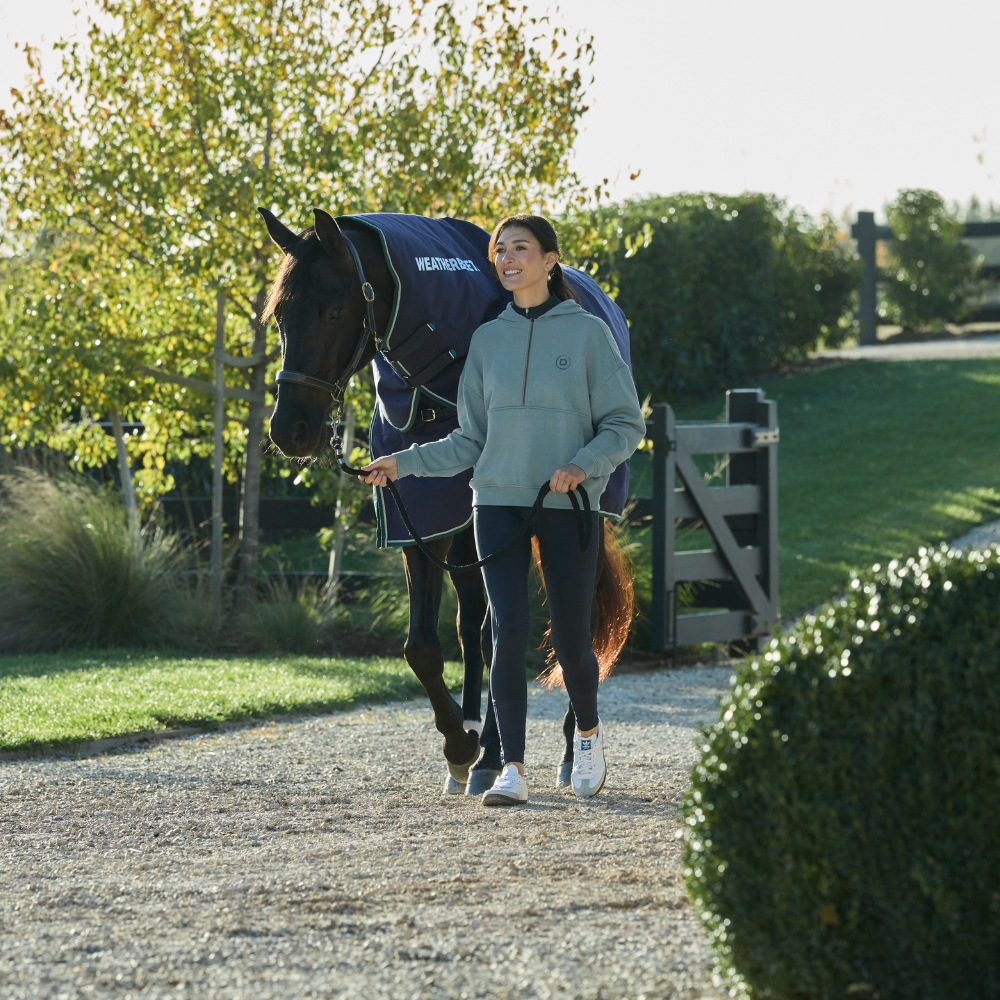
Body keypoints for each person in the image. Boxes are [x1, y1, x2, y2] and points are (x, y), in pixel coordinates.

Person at [360, 214, 645, 806]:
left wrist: (582, 465)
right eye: (500, 251)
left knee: (569, 638)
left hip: (566, 504)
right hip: (496, 502)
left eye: (521, 248)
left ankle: (588, 734)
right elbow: (469, 440)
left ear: (549, 259)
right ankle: (511, 765)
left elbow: (626, 423)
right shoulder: (488, 342)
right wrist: (402, 464)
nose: (508, 259)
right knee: (505, 629)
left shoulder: (587, 335)